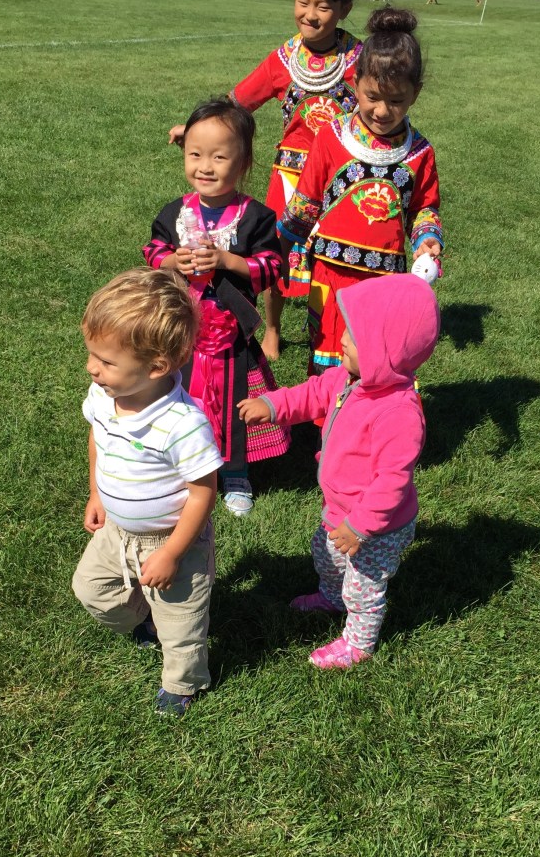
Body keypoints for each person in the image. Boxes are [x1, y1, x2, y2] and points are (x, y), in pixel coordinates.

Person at [168, 0, 362, 362]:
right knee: (274, 253)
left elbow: (381, 101)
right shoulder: (284, 59)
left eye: (323, 6)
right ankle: (272, 328)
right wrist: (195, 128)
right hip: (291, 175)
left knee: (330, 258)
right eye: (303, 2)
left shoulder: (358, 61)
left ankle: (331, 331)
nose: (310, 14)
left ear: (345, 9)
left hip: (340, 178)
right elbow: (238, 101)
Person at [239, 274, 439, 668]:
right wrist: (273, 405)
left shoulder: (398, 413)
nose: (343, 339)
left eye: (357, 336)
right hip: (340, 508)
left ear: (387, 351)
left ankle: (358, 644)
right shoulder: (351, 379)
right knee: (326, 554)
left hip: (377, 525)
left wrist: (361, 526)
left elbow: (392, 482)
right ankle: (331, 598)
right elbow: (311, 393)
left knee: (363, 585)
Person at [72, 268, 224, 718]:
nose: (91, 367)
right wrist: (96, 494)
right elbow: (98, 438)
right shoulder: (103, 395)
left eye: (105, 361)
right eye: (91, 353)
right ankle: (145, 620)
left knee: (182, 624)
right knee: (91, 590)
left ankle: (181, 683)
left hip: (173, 540)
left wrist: (173, 553)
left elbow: (203, 491)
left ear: (156, 367)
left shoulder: (182, 424)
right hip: (117, 532)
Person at [144, 99, 291, 517]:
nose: (205, 167)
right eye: (195, 154)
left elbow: (273, 265)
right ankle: (183, 467)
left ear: (243, 163)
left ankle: (235, 472)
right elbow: (152, 251)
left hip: (232, 337)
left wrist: (227, 260)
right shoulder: (175, 212)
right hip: (183, 332)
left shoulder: (256, 217)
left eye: (219, 157)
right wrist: (173, 261)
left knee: (234, 403)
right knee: (181, 399)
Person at [278, 7, 443, 376]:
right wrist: (281, 250)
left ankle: (370, 413)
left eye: (396, 100)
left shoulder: (419, 153)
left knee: (375, 360)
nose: (382, 111)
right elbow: (305, 203)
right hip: (330, 275)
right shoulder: (332, 137)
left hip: (385, 281)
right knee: (326, 360)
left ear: (415, 94)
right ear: (355, 84)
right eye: (372, 97)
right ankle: (324, 414)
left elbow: (424, 209)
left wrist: (427, 239)